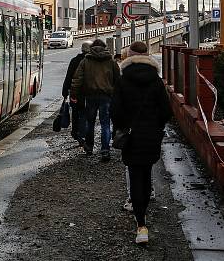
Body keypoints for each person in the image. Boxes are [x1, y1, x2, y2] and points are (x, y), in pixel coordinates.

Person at [111, 40, 171, 245]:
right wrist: (156, 126)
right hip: (151, 136)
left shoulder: (122, 80)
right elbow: (166, 112)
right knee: (146, 174)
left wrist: (122, 127)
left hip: (131, 136)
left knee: (135, 176)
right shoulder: (156, 80)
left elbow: (115, 111)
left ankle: (141, 225)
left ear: (129, 56)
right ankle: (143, 212)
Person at [70, 38, 120, 162]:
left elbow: (77, 79)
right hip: (106, 96)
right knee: (105, 124)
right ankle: (105, 150)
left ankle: (89, 147)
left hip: (90, 96)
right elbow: (118, 80)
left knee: (90, 122)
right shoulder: (111, 61)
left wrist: (74, 94)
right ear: (104, 47)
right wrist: (117, 95)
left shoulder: (86, 60)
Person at [62, 41, 91, 145]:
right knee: (84, 113)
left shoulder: (74, 60)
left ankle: (75, 131)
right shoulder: (91, 61)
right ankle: (82, 134)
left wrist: (65, 91)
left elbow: (69, 76)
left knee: (75, 112)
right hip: (87, 93)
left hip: (75, 92)